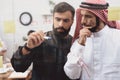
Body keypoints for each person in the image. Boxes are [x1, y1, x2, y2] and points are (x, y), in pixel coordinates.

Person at [11, 2, 75, 80]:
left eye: (66, 21)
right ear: (53, 19)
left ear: (72, 21)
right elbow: (18, 67)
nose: (60, 24)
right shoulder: (39, 41)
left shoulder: (75, 45)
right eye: (58, 19)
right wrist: (27, 48)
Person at [64, 0, 120, 80]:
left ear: (101, 17)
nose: (83, 21)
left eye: (88, 16)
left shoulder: (118, 38)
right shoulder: (78, 43)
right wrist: (80, 46)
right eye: (82, 16)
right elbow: (72, 74)